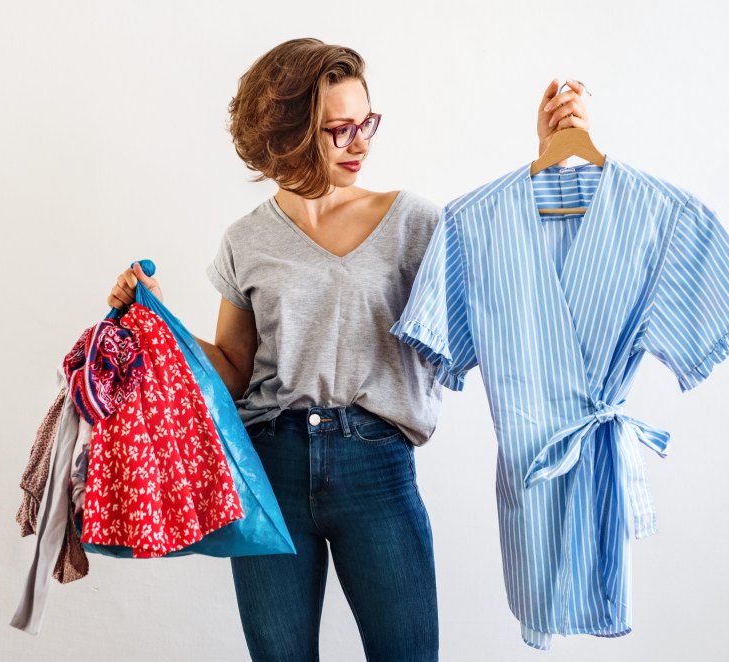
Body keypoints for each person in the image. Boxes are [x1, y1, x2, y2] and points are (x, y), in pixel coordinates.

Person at [106, 37, 592, 662]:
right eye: (340, 130)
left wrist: (550, 160)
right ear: (287, 137)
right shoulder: (247, 240)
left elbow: (518, 291)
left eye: (366, 122)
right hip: (270, 470)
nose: (361, 143)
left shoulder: (416, 223)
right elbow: (231, 368)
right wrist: (153, 315)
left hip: (379, 469)